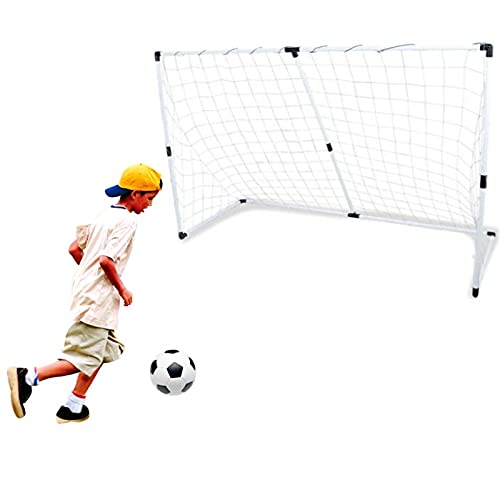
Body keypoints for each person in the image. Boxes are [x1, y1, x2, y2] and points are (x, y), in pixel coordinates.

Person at [7, 163, 162, 423]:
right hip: (98, 300)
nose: (150, 205)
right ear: (135, 194)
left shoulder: (103, 215)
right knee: (82, 357)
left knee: (104, 351)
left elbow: (74, 249)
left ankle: (74, 405)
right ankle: (28, 376)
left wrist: (90, 275)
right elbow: (106, 260)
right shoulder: (127, 221)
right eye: (149, 198)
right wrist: (122, 288)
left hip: (89, 293)